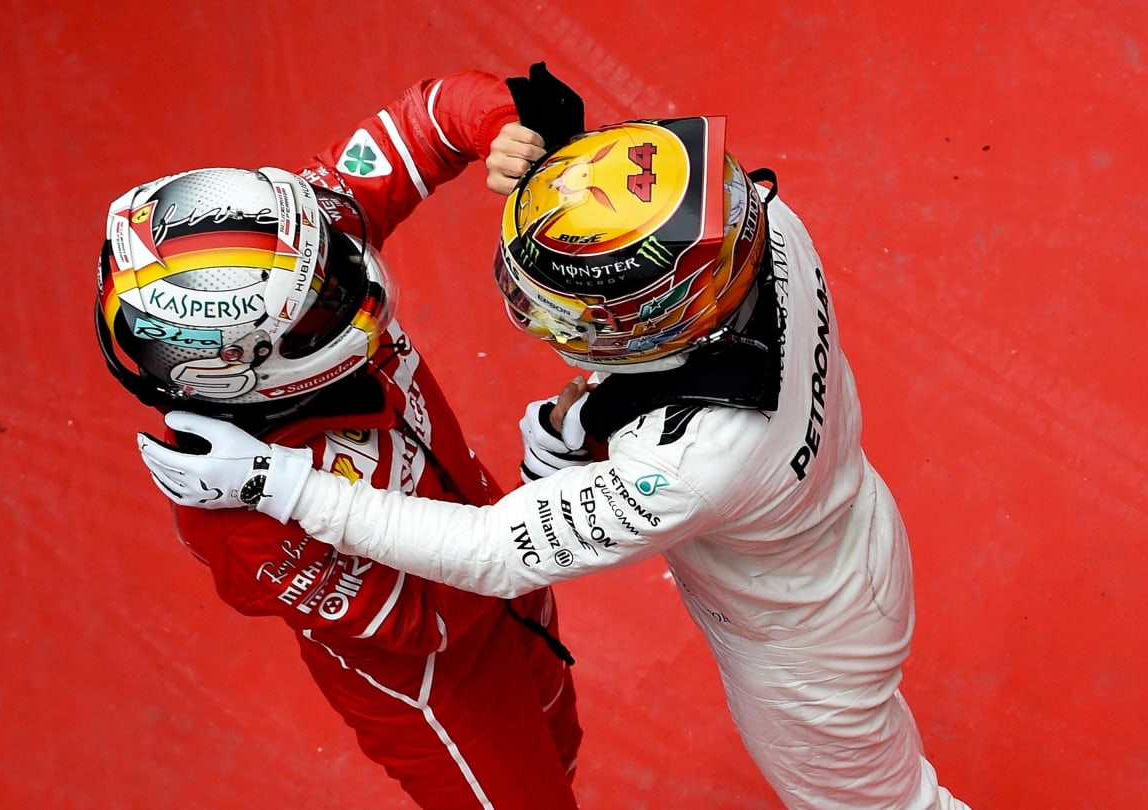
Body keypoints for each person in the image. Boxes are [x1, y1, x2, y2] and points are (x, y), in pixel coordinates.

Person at [136, 115, 971, 808]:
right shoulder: (759, 222)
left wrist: (276, 483)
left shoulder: (689, 468)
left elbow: (495, 553)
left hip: (800, 641)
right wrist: (600, 409)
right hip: (849, 535)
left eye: (585, 311)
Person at [96, 69, 587, 809]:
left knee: (563, 743)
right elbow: (421, 621)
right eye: (322, 305)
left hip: (506, 563)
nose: (351, 272)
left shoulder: (292, 243)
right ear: (239, 366)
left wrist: (501, 129)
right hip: (442, 691)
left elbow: (425, 119)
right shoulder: (233, 513)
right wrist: (545, 501)